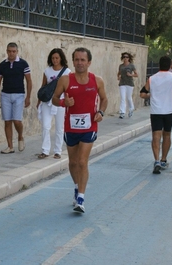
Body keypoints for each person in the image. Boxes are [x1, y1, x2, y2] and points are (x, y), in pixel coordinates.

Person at [52, 47, 108, 213]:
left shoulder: (97, 80)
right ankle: (77, 186)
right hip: (71, 127)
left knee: (82, 162)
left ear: (89, 62)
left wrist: (101, 112)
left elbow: (104, 99)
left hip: (89, 126)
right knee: (73, 162)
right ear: (73, 61)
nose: (80, 63)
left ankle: (81, 199)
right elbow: (54, 98)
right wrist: (64, 103)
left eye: (83, 60)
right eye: (77, 59)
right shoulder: (65, 80)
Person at [140, 55, 172, 174]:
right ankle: (163, 160)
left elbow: (142, 93)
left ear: (159, 65)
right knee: (167, 134)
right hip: (169, 110)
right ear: (170, 66)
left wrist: (150, 95)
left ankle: (156, 160)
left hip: (156, 111)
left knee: (156, 136)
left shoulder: (152, 78)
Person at [0, 42, 32, 154]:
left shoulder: (23, 64)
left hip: (19, 95)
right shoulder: (2, 65)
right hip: (5, 95)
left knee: (16, 120)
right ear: (6, 51)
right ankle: (10, 146)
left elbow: (29, 81)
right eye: (9, 51)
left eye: (14, 51)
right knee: (7, 121)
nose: (11, 53)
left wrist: (28, 97)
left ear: (17, 52)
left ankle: (20, 136)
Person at [36, 48, 71, 159]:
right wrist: (39, 101)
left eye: (57, 58)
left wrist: (67, 102)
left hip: (60, 102)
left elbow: (68, 88)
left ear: (61, 58)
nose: (55, 60)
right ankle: (45, 150)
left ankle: (58, 151)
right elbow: (43, 86)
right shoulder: (47, 71)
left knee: (59, 127)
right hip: (47, 101)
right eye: (53, 58)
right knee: (46, 126)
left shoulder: (67, 72)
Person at [117, 52, 138, 119]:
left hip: (129, 83)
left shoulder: (131, 65)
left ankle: (131, 109)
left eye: (127, 57)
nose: (125, 58)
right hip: (122, 83)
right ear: (122, 58)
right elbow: (119, 73)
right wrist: (119, 77)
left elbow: (136, 74)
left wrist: (131, 75)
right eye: (124, 57)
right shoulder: (121, 66)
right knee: (123, 98)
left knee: (129, 98)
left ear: (129, 58)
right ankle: (122, 112)